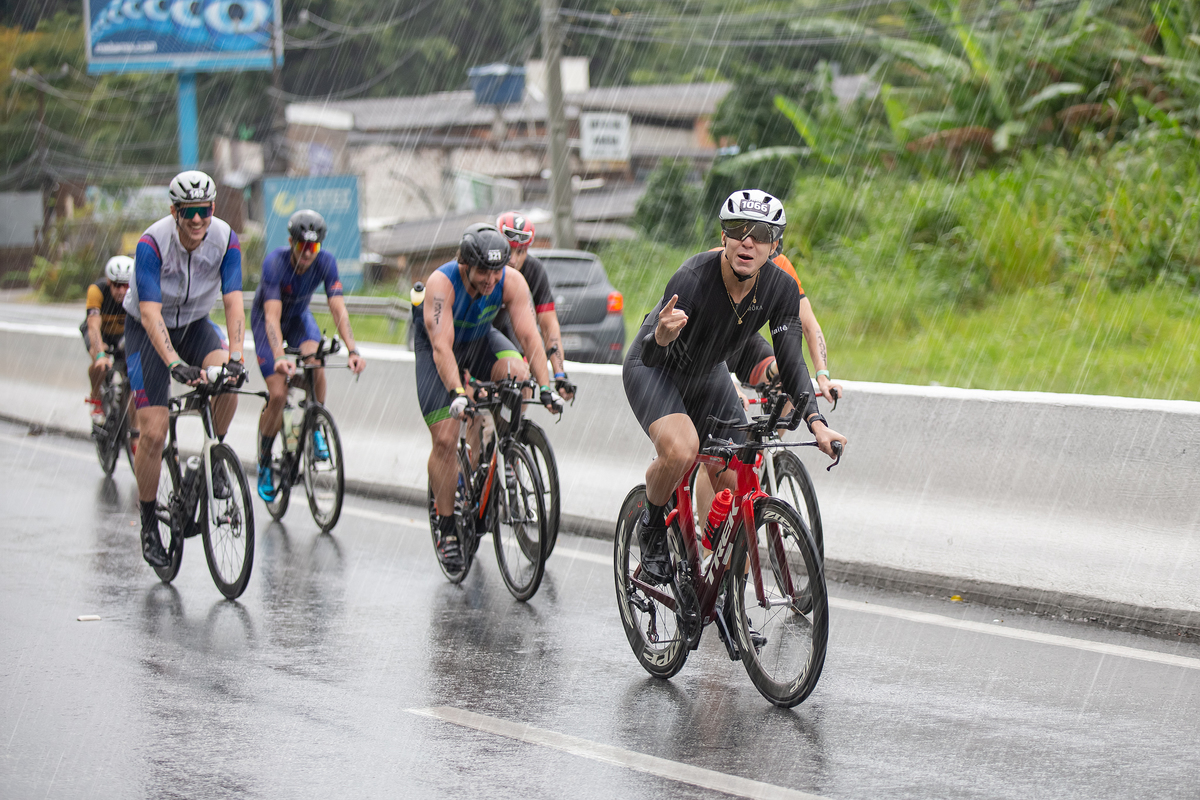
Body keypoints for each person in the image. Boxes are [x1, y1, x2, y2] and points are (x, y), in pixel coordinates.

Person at [623, 189, 848, 584]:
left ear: (774, 245)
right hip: (655, 367)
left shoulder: (780, 287)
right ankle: (652, 527)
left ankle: (728, 597)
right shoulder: (693, 277)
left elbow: (791, 361)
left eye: (760, 234)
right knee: (682, 449)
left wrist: (817, 423)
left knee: (740, 482)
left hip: (708, 372)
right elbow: (654, 355)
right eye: (738, 230)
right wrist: (659, 337)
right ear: (723, 236)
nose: (748, 241)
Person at [413, 223, 562, 570]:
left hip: (480, 341)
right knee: (445, 438)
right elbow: (441, 347)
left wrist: (546, 387)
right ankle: (447, 528)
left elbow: (530, 337)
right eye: (483, 272)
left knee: (518, 375)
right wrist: (457, 393)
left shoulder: (511, 281)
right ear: (464, 264)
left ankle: (502, 451)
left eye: (497, 271)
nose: (491, 280)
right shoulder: (441, 284)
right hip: (438, 350)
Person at [124, 169, 246, 569]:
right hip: (147, 331)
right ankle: (148, 523)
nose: (197, 220)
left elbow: (233, 301)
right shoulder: (152, 243)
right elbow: (149, 312)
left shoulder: (225, 239)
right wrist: (174, 362)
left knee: (227, 381)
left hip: (195, 325)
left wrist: (237, 356)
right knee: (153, 433)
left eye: (204, 210)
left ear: (213, 209)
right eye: (188, 211)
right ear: (174, 211)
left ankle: (214, 457)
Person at [252, 209, 366, 501]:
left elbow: (338, 308)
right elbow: (271, 317)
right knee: (278, 394)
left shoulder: (326, 262)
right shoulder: (274, 263)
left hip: (298, 320)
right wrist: (279, 356)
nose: (307, 253)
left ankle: (315, 424)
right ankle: (264, 460)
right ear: (291, 242)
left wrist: (352, 349)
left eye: (313, 247)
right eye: (302, 246)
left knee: (316, 362)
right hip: (268, 323)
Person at [491, 212, 576, 401]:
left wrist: (560, 374)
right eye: (508, 250)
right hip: (480, 334)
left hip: (514, 336)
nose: (513, 260)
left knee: (524, 386)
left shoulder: (534, 270)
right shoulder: (486, 267)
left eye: (520, 252)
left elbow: (548, 325)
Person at [81, 255, 134, 426]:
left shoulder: (137, 293)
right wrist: (100, 355)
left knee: (134, 371)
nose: (121, 291)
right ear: (109, 282)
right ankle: (96, 398)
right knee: (101, 364)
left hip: (122, 335)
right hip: (100, 332)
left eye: (126, 285)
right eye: (117, 285)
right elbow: (93, 325)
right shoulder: (97, 290)